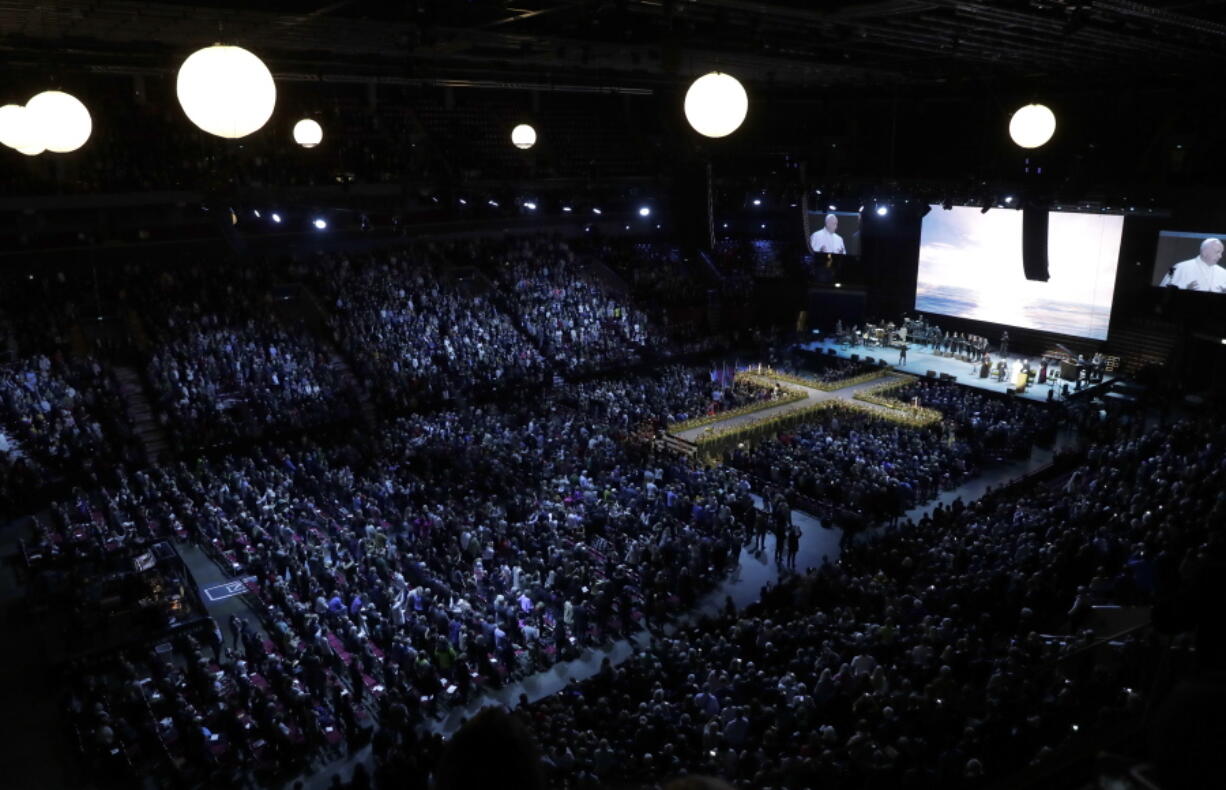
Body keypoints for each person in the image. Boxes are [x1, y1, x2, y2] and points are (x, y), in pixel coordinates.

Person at [1159, 238, 1226, 292]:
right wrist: (1186, 290)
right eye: (1217, 252)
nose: (1220, 256)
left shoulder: (1223, 272)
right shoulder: (1180, 268)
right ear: (1204, 252)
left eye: (1221, 252)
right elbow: (1163, 293)